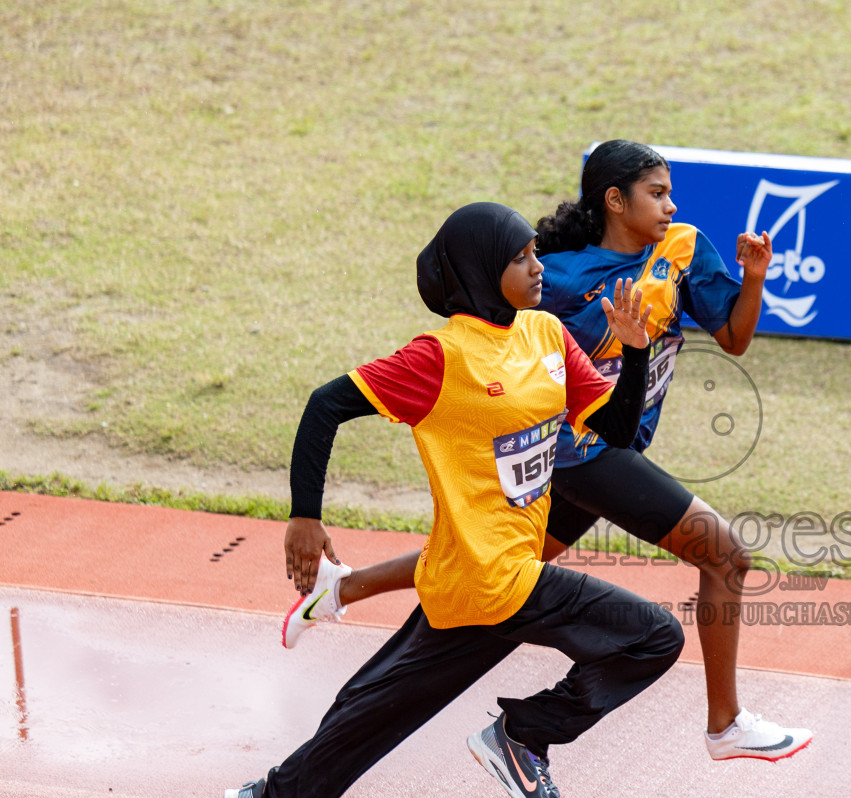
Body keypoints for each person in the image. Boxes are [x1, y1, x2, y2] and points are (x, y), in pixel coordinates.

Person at [283, 141, 812, 762]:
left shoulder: (685, 248)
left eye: (670, 192)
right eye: (657, 193)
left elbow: (736, 338)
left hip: (601, 444)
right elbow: (491, 329)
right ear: (615, 201)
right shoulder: (557, 277)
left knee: (508, 563)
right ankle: (724, 723)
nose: (672, 204)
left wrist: (754, 278)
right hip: (579, 449)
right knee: (725, 555)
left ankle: (341, 590)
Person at [225, 202, 684, 798]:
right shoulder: (439, 358)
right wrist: (303, 516)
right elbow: (326, 405)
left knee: (384, 704)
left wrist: (636, 346)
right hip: (496, 579)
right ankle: (524, 735)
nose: (538, 268)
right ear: (479, 269)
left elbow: (613, 431)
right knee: (654, 638)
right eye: (522, 258)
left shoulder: (547, 336)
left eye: (537, 254)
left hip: (479, 571)